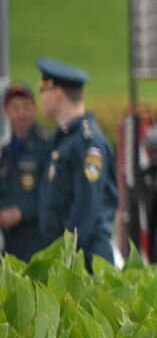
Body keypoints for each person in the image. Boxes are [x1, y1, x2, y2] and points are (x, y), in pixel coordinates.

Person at [36, 57, 118, 269]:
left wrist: (66, 257)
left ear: (58, 94)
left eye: (43, 90)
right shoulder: (66, 139)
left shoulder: (88, 143)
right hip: (70, 257)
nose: (41, 97)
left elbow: (85, 209)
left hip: (86, 261)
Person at [0, 82, 51, 261]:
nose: (21, 113)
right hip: (11, 244)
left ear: (34, 109)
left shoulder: (46, 146)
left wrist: (22, 212)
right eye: (15, 108)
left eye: (26, 107)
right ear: (5, 111)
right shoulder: (6, 152)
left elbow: (52, 193)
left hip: (38, 241)